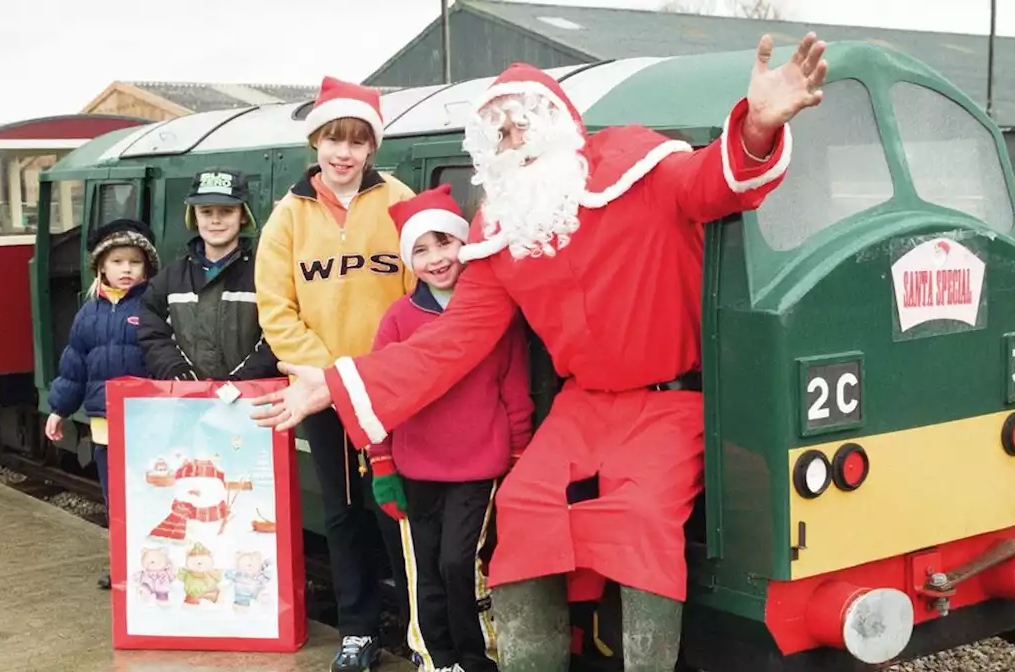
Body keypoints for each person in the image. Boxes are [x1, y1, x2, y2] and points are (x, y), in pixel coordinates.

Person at [253, 33, 828, 670]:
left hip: (671, 402)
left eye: (524, 122)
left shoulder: (639, 165)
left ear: (560, 122)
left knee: (639, 521)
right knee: (523, 510)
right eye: (499, 134)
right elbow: (451, 341)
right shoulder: (502, 230)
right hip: (583, 407)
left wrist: (756, 129)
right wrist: (334, 382)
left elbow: (713, 185)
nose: (514, 140)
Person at [253, 75, 417, 672]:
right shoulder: (287, 217)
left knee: (398, 510)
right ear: (315, 142)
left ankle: (420, 628)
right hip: (321, 396)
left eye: (356, 141)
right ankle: (358, 630)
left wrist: (375, 375)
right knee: (345, 513)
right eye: (332, 139)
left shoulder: (398, 201)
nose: (343, 152)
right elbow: (276, 309)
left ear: (372, 147)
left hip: (389, 392)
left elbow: (415, 298)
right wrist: (328, 378)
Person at [369, 185, 534, 672]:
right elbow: (378, 395)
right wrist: (381, 462)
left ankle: (476, 657)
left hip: (478, 465)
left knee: (459, 564)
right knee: (425, 570)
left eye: (445, 243)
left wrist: (519, 456)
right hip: (415, 466)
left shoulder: (495, 312)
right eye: (421, 249)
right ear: (408, 261)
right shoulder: (398, 320)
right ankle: (436, 658)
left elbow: (514, 388)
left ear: (466, 244)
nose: (436, 258)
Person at [45, 218, 160, 590]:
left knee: (154, 495)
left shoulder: (154, 307)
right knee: (117, 500)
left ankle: (159, 564)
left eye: (134, 262)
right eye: (117, 262)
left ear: (147, 267)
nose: (126, 269)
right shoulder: (88, 314)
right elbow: (73, 366)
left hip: (149, 422)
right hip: (106, 424)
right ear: (101, 267)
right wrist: (59, 408)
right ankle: (125, 565)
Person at [138, 168, 279, 381]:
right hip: (186, 404)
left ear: (243, 215)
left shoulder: (266, 274)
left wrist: (241, 380)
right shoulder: (171, 278)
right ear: (193, 216)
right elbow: (151, 331)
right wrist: (174, 368)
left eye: (226, 211)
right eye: (206, 211)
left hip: (253, 404)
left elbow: (279, 334)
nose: (215, 220)